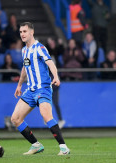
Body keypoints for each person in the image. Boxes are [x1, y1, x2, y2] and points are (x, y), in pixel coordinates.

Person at [11, 22, 70, 155]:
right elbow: (25, 68)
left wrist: (56, 76)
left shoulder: (40, 48)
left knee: (46, 115)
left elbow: (50, 62)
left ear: (32, 32)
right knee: (15, 119)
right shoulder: (24, 50)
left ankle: (63, 147)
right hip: (30, 90)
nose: (22, 34)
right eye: (20, 32)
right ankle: (36, 145)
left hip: (42, 89)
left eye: (25, 31)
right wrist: (19, 85)